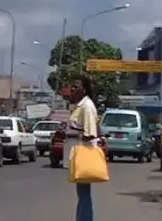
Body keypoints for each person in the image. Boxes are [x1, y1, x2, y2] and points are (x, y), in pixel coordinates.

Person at [66, 75, 99, 221]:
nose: (73, 89)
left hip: (85, 153)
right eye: (71, 86)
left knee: (84, 194)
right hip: (78, 153)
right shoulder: (80, 106)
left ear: (84, 89)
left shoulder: (87, 107)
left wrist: (72, 134)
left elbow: (90, 134)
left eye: (76, 86)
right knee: (82, 193)